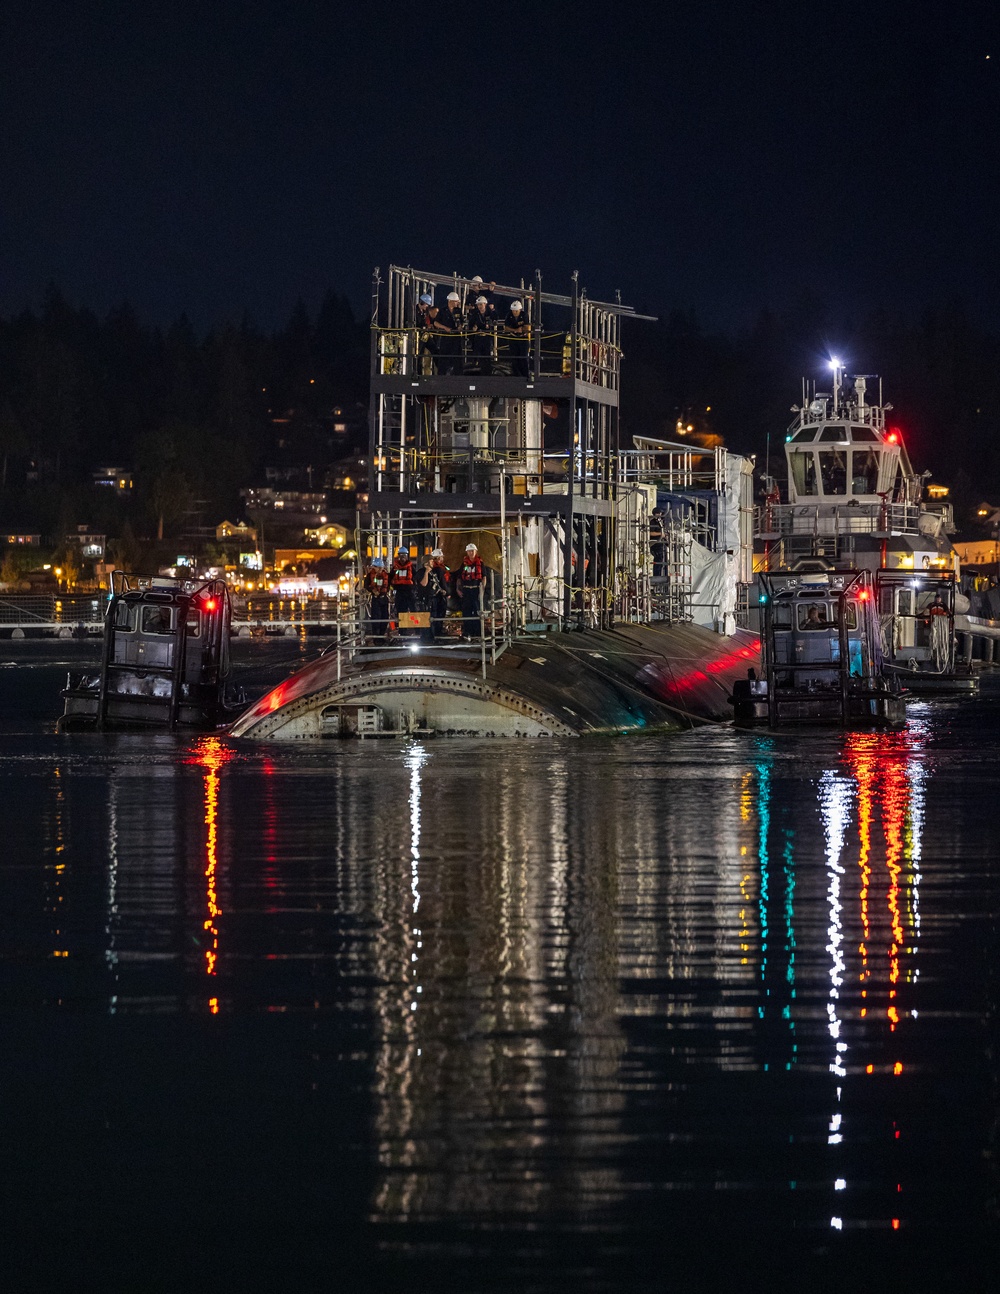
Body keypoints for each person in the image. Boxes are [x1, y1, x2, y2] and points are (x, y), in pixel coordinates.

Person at [420, 548, 451, 639]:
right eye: (440, 557)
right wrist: (447, 593)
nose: (442, 559)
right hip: (438, 597)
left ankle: (435, 633)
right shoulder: (439, 570)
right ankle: (436, 633)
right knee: (438, 615)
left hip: (435, 596)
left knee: (436, 615)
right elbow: (442, 583)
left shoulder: (438, 569)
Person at [457, 542, 485, 639]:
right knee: (466, 612)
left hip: (476, 590)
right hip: (466, 590)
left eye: (472, 551)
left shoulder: (480, 563)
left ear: (476, 552)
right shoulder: (464, 564)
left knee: (477, 611)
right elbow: (460, 577)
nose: (471, 553)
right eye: (469, 551)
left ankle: (477, 632)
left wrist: (482, 590)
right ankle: (467, 632)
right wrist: (458, 589)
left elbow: (484, 577)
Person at [390, 547, 417, 632]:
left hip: (409, 592)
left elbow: (416, 578)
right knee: (401, 612)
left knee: (414, 610)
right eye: (401, 555)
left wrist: (415, 589)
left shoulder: (411, 567)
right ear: (398, 556)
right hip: (400, 593)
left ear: (407, 556)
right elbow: (390, 578)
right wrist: (392, 588)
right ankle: (403, 632)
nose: (403, 557)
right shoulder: (395, 568)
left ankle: (417, 630)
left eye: (404, 555)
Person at [363, 558, 391, 641]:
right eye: (377, 567)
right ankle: (376, 637)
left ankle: (382, 635)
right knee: (375, 618)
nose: (379, 569)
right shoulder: (369, 576)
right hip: (375, 599)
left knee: (385, 617)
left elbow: (389, 585)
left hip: (384, 598)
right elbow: (366, 585)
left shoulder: (386, 575)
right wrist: (372, 590)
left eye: (380, 567)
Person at [437, 291, 465, 374]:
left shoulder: (458, 311)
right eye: (456, 301)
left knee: (457, 357)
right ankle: (442, 374)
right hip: (446, 337)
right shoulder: (442, 311)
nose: (457, 303)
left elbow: (462, 322)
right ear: (450, 301)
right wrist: (445, 328)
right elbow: (436, 322)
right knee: (444, 357)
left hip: (456, 337)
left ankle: (457, 374)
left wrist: (460, 326)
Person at [467, 296, 495, 373]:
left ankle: (487, 372)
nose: (479, 306)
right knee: (477, 355)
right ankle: (477, 372)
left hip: (487, 338)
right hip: (478, 338)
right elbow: (470, 325)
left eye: (481, 304)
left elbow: (495, 320)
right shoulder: (475, 314)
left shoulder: (490, 313)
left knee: (487, 356)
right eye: (478, 305)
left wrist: (490, 325)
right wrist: (473, 329)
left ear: (485, 304)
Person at [503, 299, 530, 377]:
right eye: (513, 310)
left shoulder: (524, 315)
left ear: (520, 310)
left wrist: (520, 330)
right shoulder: (509, 315)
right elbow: (506, 328)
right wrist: (516, 330)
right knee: (514, 358)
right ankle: (516, 376)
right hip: (513, 339)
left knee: (523, 358)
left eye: (516, 311)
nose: (514, 312)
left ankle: (525, 376)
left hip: (523, 339)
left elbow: (526, 327)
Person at [650, 508, 667, 579]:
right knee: (658, 560)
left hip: (661, 544)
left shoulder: (661, 523)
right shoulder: (653, 522)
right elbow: (650, 533)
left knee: (663, 560)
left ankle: (662, 576)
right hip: (655, 544)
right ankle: (656, 577)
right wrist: (661, 534)